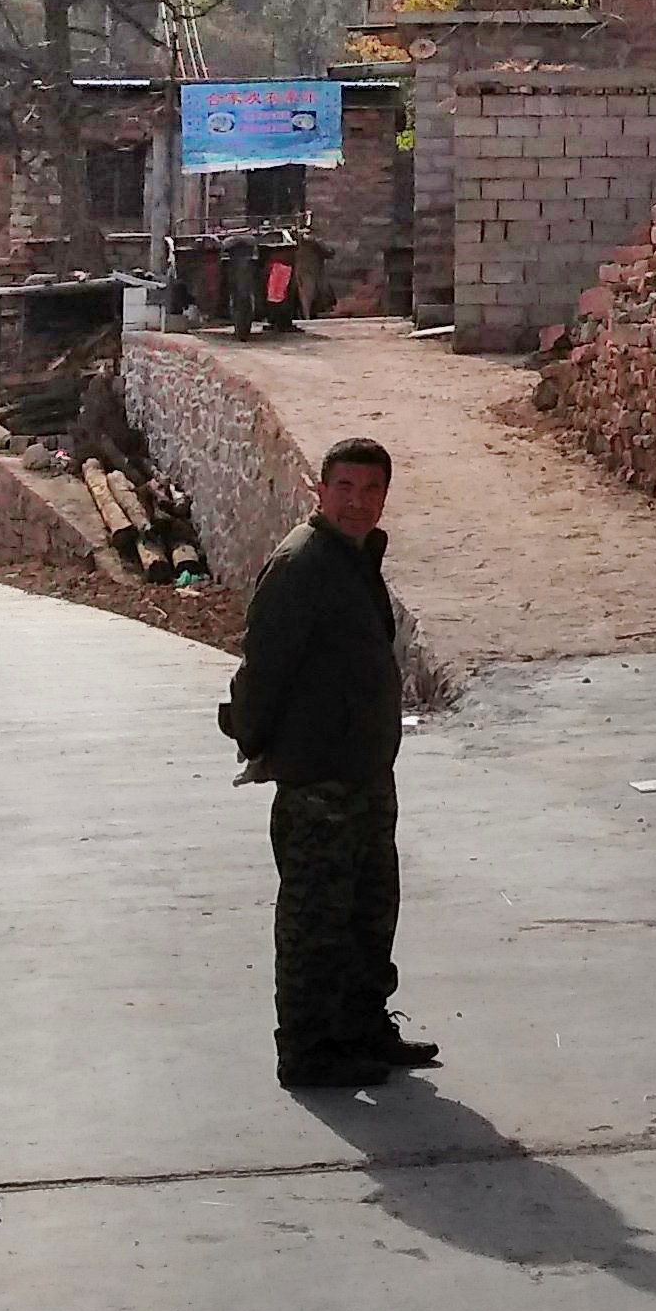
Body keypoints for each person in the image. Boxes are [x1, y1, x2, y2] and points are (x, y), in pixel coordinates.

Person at [221, 435, 435, 1088]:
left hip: (366, 774)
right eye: (345, 487)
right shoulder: (303, 565)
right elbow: (263, 669)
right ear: (321, 490)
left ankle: (362, 1028)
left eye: (371, 490)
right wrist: (255, 742)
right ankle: (308, 1051)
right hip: (318, 780)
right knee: (315, 920)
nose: (358, 502)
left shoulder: (354, 557)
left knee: (369, 911)